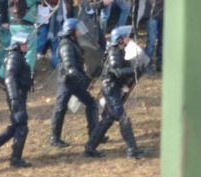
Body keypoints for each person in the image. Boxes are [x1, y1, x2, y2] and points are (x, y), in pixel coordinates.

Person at [86, 25, 145, 158]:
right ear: (120, 39)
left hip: (113, 87)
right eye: (126, 37)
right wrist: (134, 70)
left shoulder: (118, 49)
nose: (129, 39)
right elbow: (116, 71)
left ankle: (90, 147)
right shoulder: (114, 52)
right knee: (123, 118)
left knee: (108, 118)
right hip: (111, 88)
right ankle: (132, 150)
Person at [0, 32, 34, 168]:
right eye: (24, 44)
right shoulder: (14, 58)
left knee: (16, 126)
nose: (26, 46)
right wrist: (14, 98)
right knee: (22, 127)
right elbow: (10, 79)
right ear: (17, 45)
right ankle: (15, 158)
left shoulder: (18, 57)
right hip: (16, 96)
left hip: (18, 95)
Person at [49, 17, 98, 148]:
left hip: (74, 81)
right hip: (66, 82)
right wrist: (86, 83)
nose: (80, 32)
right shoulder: (66, 45)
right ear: (72, 31)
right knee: (60, 108)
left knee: (91, 103)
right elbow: (70, 69)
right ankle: (54, 138)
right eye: (77, 29)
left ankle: (95, 133)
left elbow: (77, 67)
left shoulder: (73, 42)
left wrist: (87, 81)